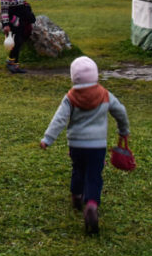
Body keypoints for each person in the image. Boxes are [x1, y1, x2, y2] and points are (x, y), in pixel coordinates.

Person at [39, 56, 130, 235]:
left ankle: (76, 196)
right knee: (94, 175)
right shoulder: (105, 94)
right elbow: (120, 111)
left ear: (74, 77)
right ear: (95, 75)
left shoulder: (71, 97)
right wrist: (123, 130)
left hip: (76, 144)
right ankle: (91, 203)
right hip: (97, 146)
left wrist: (47, 138)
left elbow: (59, 119)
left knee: (78, 169)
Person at [0, 0, 34, 74]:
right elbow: (4, 10)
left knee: (18, 42)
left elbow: (18, 4)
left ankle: (14, 64)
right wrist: (6, 25)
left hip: (19, 21)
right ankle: (12, 63)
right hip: (12, 22)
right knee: (17, 42)